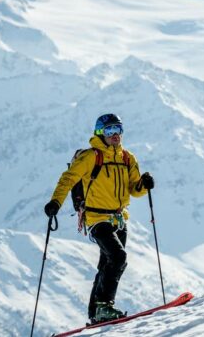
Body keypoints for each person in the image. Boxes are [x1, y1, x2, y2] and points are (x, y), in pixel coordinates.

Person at [43, 113, 155, 324]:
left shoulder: (127, 157)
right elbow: (68, 180)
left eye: (118, 130)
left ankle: (95, 313)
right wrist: (55, 202)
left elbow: (134, 189)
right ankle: (104, 306)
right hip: (96, 218)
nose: (115, 135)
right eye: (110, 130)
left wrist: (144, 184)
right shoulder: (91, 157)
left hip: (119, 218)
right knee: (118, 257)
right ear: (100, 133)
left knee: (107, 264)